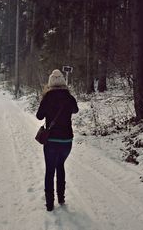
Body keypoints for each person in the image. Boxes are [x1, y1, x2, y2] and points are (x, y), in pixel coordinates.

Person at [36, 69, 79, 211]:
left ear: (50, 83)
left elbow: (39, 116)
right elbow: (75, 110)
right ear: (63, 82)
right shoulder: (69, 97)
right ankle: (61, 198)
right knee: (60, 165)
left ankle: (49, 204)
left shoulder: (47, 97)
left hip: (51, 141)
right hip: (67, 140)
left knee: (50, 170)